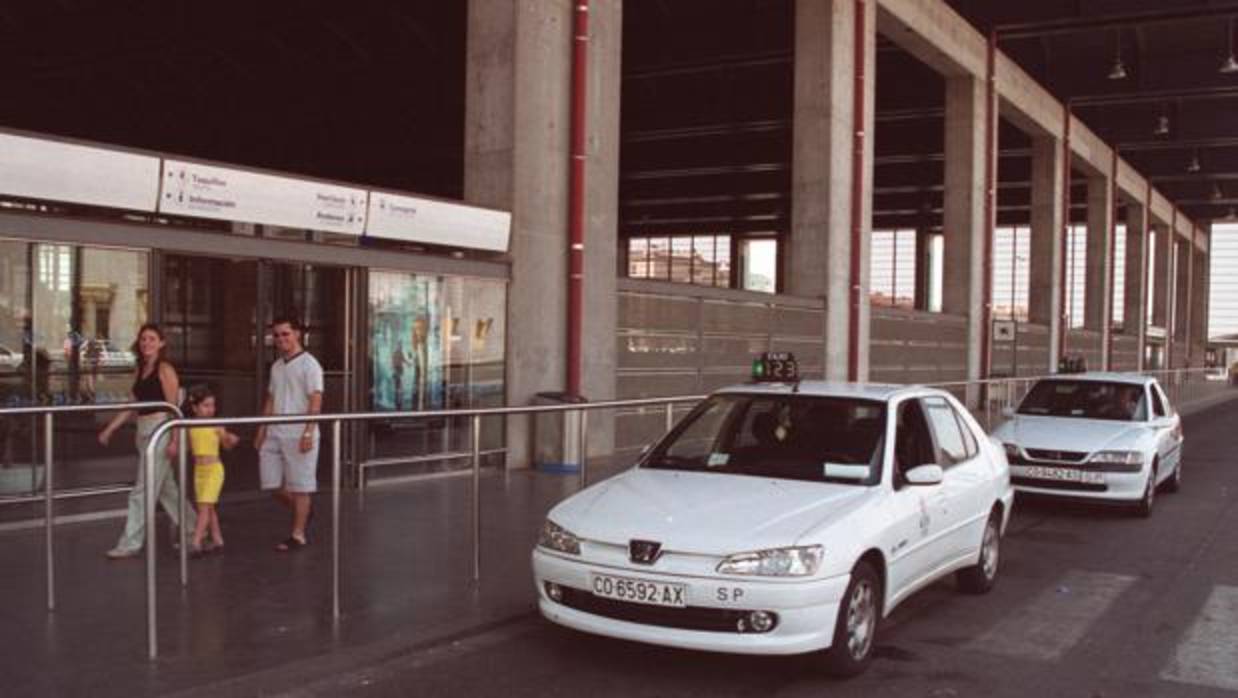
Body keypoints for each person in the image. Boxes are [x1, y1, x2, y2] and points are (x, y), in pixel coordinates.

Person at [98, 323, 196, 559]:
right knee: (165, 489)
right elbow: (132, 405)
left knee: (142, 490)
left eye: (152, 339)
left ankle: (130, 542)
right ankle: (195, 529)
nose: (147, 343)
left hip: (161, 430)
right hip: (143, 431)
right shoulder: (141, 369)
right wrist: (110, 428)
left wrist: (174, 439)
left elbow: (174, 408)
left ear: (161, 343)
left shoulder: (165, 369)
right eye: (143, 339)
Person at [254, 315, 324, 552]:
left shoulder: (310, 365)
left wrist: (308, 432)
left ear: (297, 334)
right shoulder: (276, 366)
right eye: (277, 335)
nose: (281, 338)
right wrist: (261, 430)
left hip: (299, 432)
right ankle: (303, 509)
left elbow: (316, 398)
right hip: (275, 432)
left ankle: (298, 534)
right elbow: (271, 399)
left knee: (301, 486)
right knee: (271, 483)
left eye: (286, 333)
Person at [183, 385, 239, 556]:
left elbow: (227, 446)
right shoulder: (189, 425)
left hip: (214, 469)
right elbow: (189, 447)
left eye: (212, 405)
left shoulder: (216, 424)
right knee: (208, 508)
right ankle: (217, 539)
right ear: (195, 408)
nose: (210, 409)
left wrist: (230, 439)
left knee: (205, 507)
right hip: (199, 471)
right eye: (206, 405)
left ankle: (196, 542)